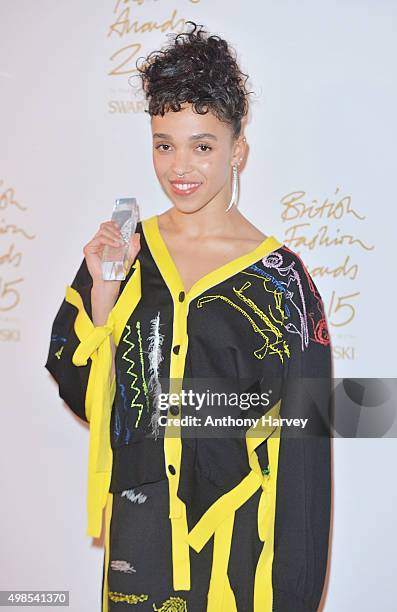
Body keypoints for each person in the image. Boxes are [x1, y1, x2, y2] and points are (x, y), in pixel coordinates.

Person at [45, 21, 333, 612]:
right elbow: (84, 395)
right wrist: (106, 291)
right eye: (164, 143)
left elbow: (304, 457)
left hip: (237, 552)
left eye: (203, 145)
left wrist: (295, 597)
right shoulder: (123, 252)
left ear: (238, 150)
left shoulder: (283, 283)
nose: (181, 166)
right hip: (140, 541)